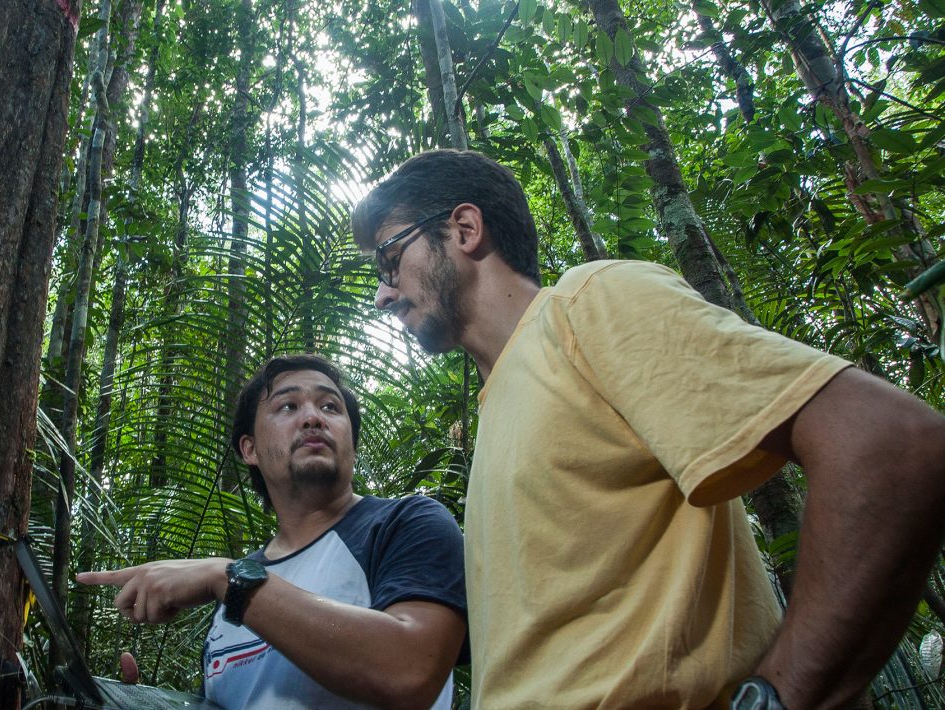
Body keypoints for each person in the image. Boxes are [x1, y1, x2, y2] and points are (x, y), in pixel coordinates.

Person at [351, 148, 945, 709]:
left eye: (390, 257)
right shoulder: (498, 408)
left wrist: (778, 695)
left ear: (463, 230)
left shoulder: (584, 307)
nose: (383, 292)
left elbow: (888, 443)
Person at [78, 354, 467, 709]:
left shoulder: (407, 523)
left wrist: (227, 579)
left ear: (352, 440)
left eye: (331, 406)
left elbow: (412, 671)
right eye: (288, 406)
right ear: (250, 449)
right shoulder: (235, 588)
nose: (314, 417)